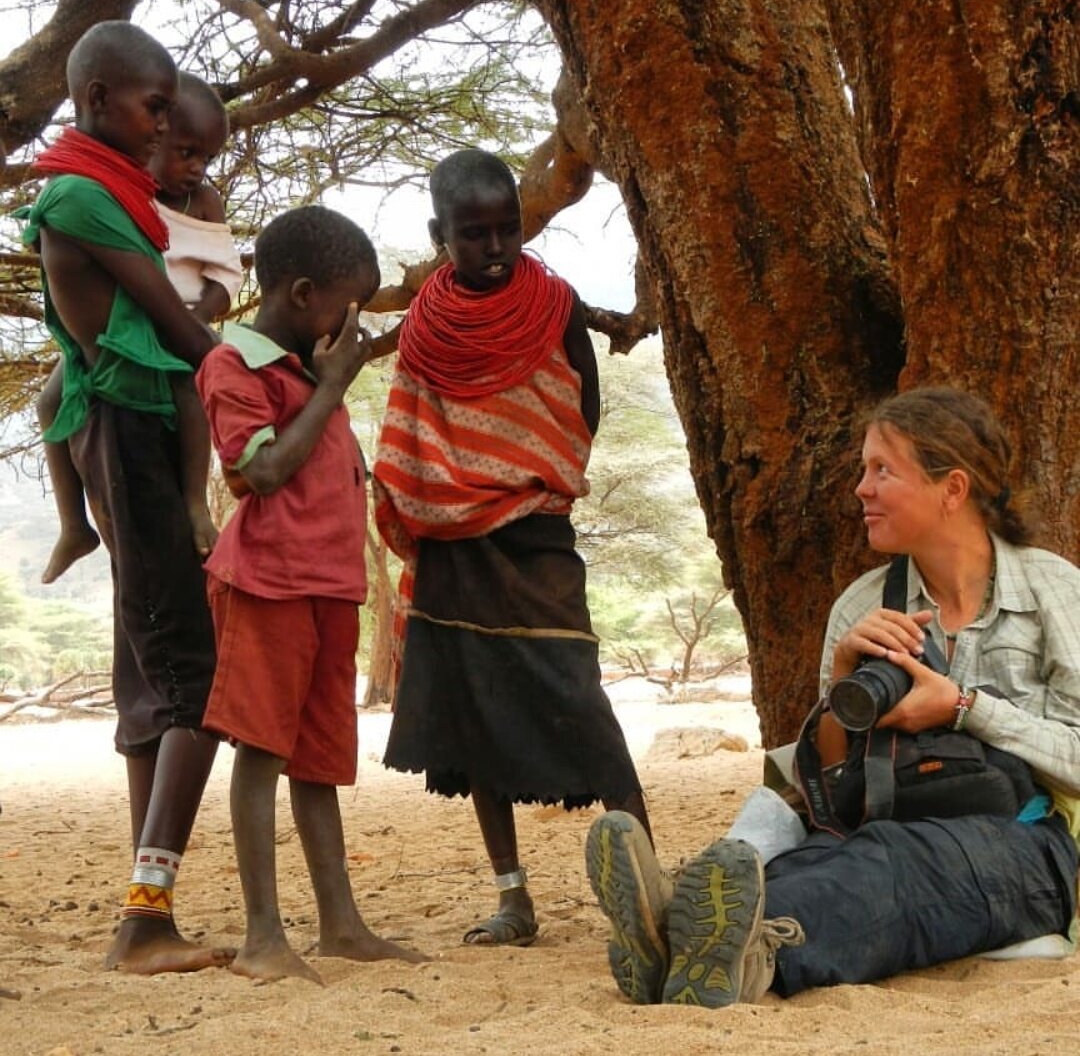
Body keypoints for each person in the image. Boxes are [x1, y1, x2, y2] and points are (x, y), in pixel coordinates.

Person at [586, 386, 1080, 1006]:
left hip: (1026, 844)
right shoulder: (863, 604)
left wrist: (962, 707)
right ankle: (682, 945)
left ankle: (742, 951)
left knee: (892, 867)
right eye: (862, 470)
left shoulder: (1054, 592)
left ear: (951, 489)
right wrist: (843, 686)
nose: (861, 490)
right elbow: (831, 785)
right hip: (884, 822)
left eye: (882, 470)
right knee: (819, 860)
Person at [373, 148, 652, 948]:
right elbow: (410, 421)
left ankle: (648, 877)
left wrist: (529, 469)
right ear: (441, 235)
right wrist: (449, 488)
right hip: (452, 543)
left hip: (534, 533)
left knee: (578, 692)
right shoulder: (424, 325)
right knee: (471, 710)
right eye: (474, 234)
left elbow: (579, 406)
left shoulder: (554, 304)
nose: (495, 247)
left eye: (507, 230)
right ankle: (513, 898)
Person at [18, 21, 228, 974]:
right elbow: (184, 329)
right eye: (151, 108)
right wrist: (276, 389)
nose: (157, 130)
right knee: (195, 683)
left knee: (152, 681)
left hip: (128, 430)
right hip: (130, 431)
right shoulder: (82, 199)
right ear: (97, 97)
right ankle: (144, 921)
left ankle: (152, 905)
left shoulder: (117, 194)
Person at [196, 205, 425, 983]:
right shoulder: (236, 366)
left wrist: (325, 384)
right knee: (262, 753)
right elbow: (258, 473)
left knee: (320, 762)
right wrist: (329, 389)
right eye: (345, 306)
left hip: (329, 591)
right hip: (267, 585)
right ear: (300, 294)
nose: (353, 327)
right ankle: (264, 935)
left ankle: (341, 924)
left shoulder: (307, 369)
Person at [35, 69, 241, 584]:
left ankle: (196, 504)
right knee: (47, 401)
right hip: (125, 330)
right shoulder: (119, 194)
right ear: (154, 139)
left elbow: (225, 271)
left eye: (206, 159)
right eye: (185, 152)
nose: (195, 169)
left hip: (178, 331)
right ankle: (72, 525)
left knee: (187, 389)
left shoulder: (203, 203)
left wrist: (201, 316)